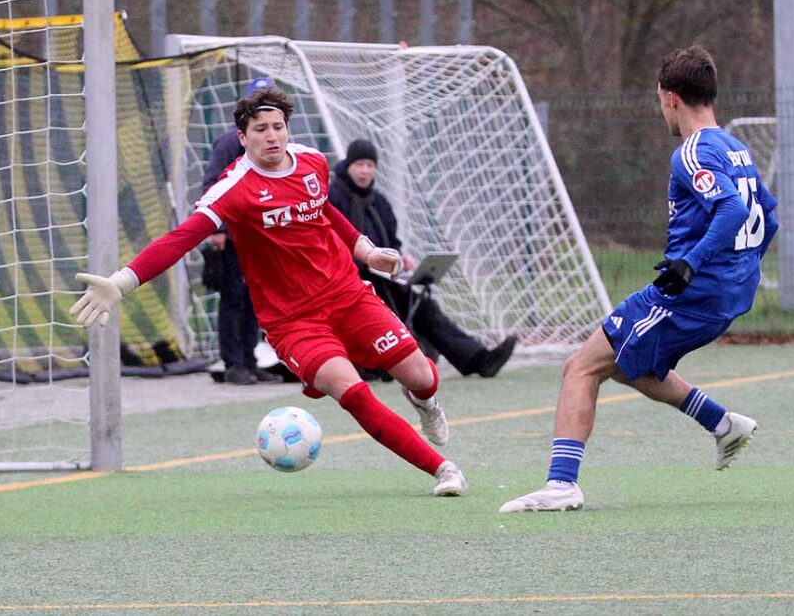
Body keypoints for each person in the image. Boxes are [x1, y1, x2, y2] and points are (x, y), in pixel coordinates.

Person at [70, 86, 468, 497]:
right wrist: (122, 280)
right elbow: (181, 238)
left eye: (278, 126)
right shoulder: (233, 188)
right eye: (260, 129)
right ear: (243, 138)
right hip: (293, 322)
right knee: (352, 392)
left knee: (422, 376)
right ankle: (444, 470)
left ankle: (425, 403)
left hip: (349, 295)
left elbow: (323, 210)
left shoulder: (312, 162)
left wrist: (364, 249)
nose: (272, 136)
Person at [499, 46, 779, 513]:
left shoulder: (691, 151)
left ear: (670, 98)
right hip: (728, 293)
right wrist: (742, 269)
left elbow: (731, 208)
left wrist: (692, 262)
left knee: (581, 367)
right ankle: (723, 425)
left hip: (689, 292)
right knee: (631, 364)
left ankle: (561, 485)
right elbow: (767, 214)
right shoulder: (737, 148)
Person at [328, 139, 517, 379]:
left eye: (369, 165)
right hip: (348, 280)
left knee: (424, 306)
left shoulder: (379, 202)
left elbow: (391, 243)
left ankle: (477, 359)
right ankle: (382, 364)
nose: (365, 171)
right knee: (390, 307)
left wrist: (400, 258)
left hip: (382, 275)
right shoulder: (333, 198)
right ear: (348, 165)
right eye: (359, 164)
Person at [201, 77, 283, 385]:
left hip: (262, 237)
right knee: (233, 297)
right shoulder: (228, 143)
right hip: (235, 236)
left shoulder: (281, 146)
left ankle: (250, 359)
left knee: (255, 299)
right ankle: (233, 362)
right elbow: (213, 185)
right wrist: (218, 228)